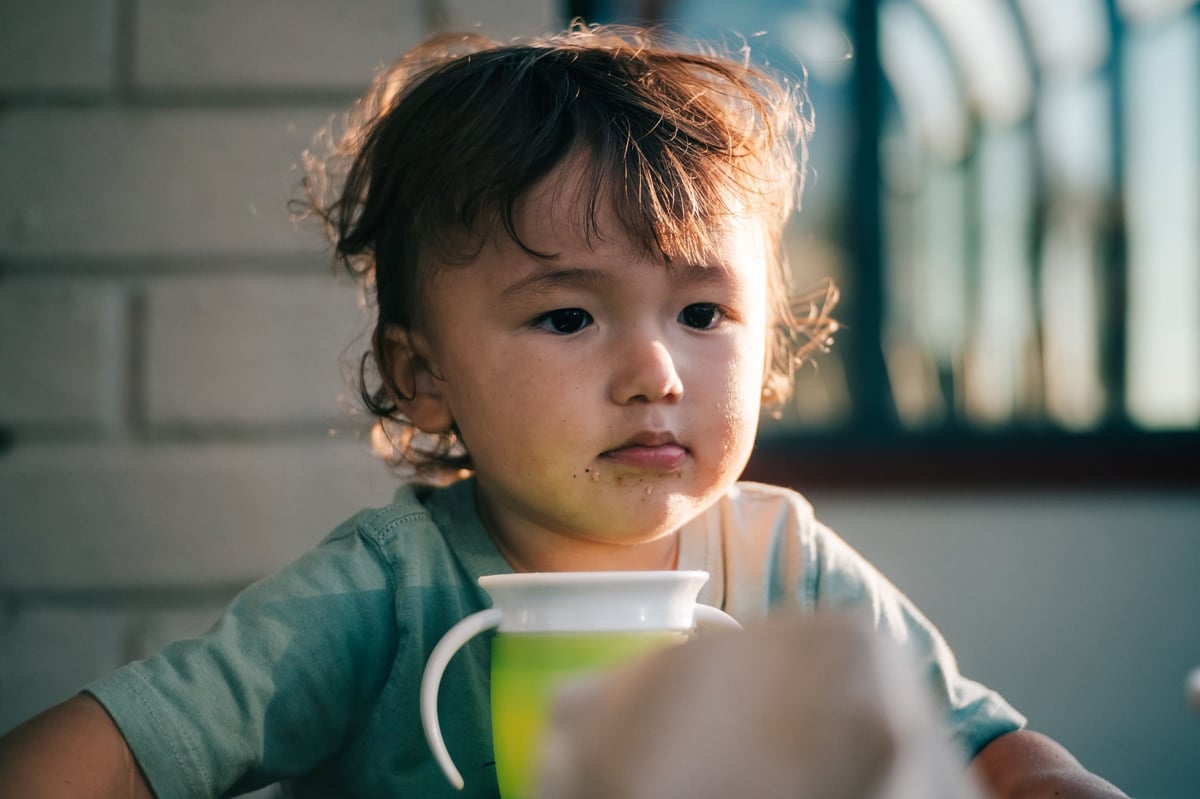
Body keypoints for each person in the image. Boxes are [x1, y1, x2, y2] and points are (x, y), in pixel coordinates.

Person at [0, 23, 1126, 799]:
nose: (656, 373)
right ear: (421, 373)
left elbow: (984, 744)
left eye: (701, 312)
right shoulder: (382, 590)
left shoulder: (787, 563)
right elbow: (131, 748)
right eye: (566, 319)